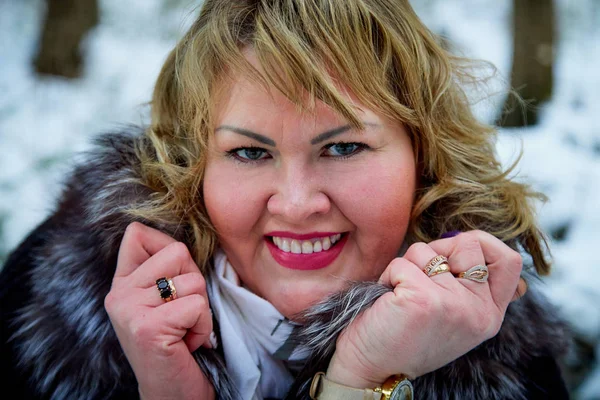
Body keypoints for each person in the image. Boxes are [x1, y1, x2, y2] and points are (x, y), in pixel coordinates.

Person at [0, 0, 571, 399]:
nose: (296, 204)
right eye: (250, 153)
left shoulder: (506, 355)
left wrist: (365, 380)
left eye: (344, 146)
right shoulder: (47, 295)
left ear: (423, 157)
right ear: (193, 164)